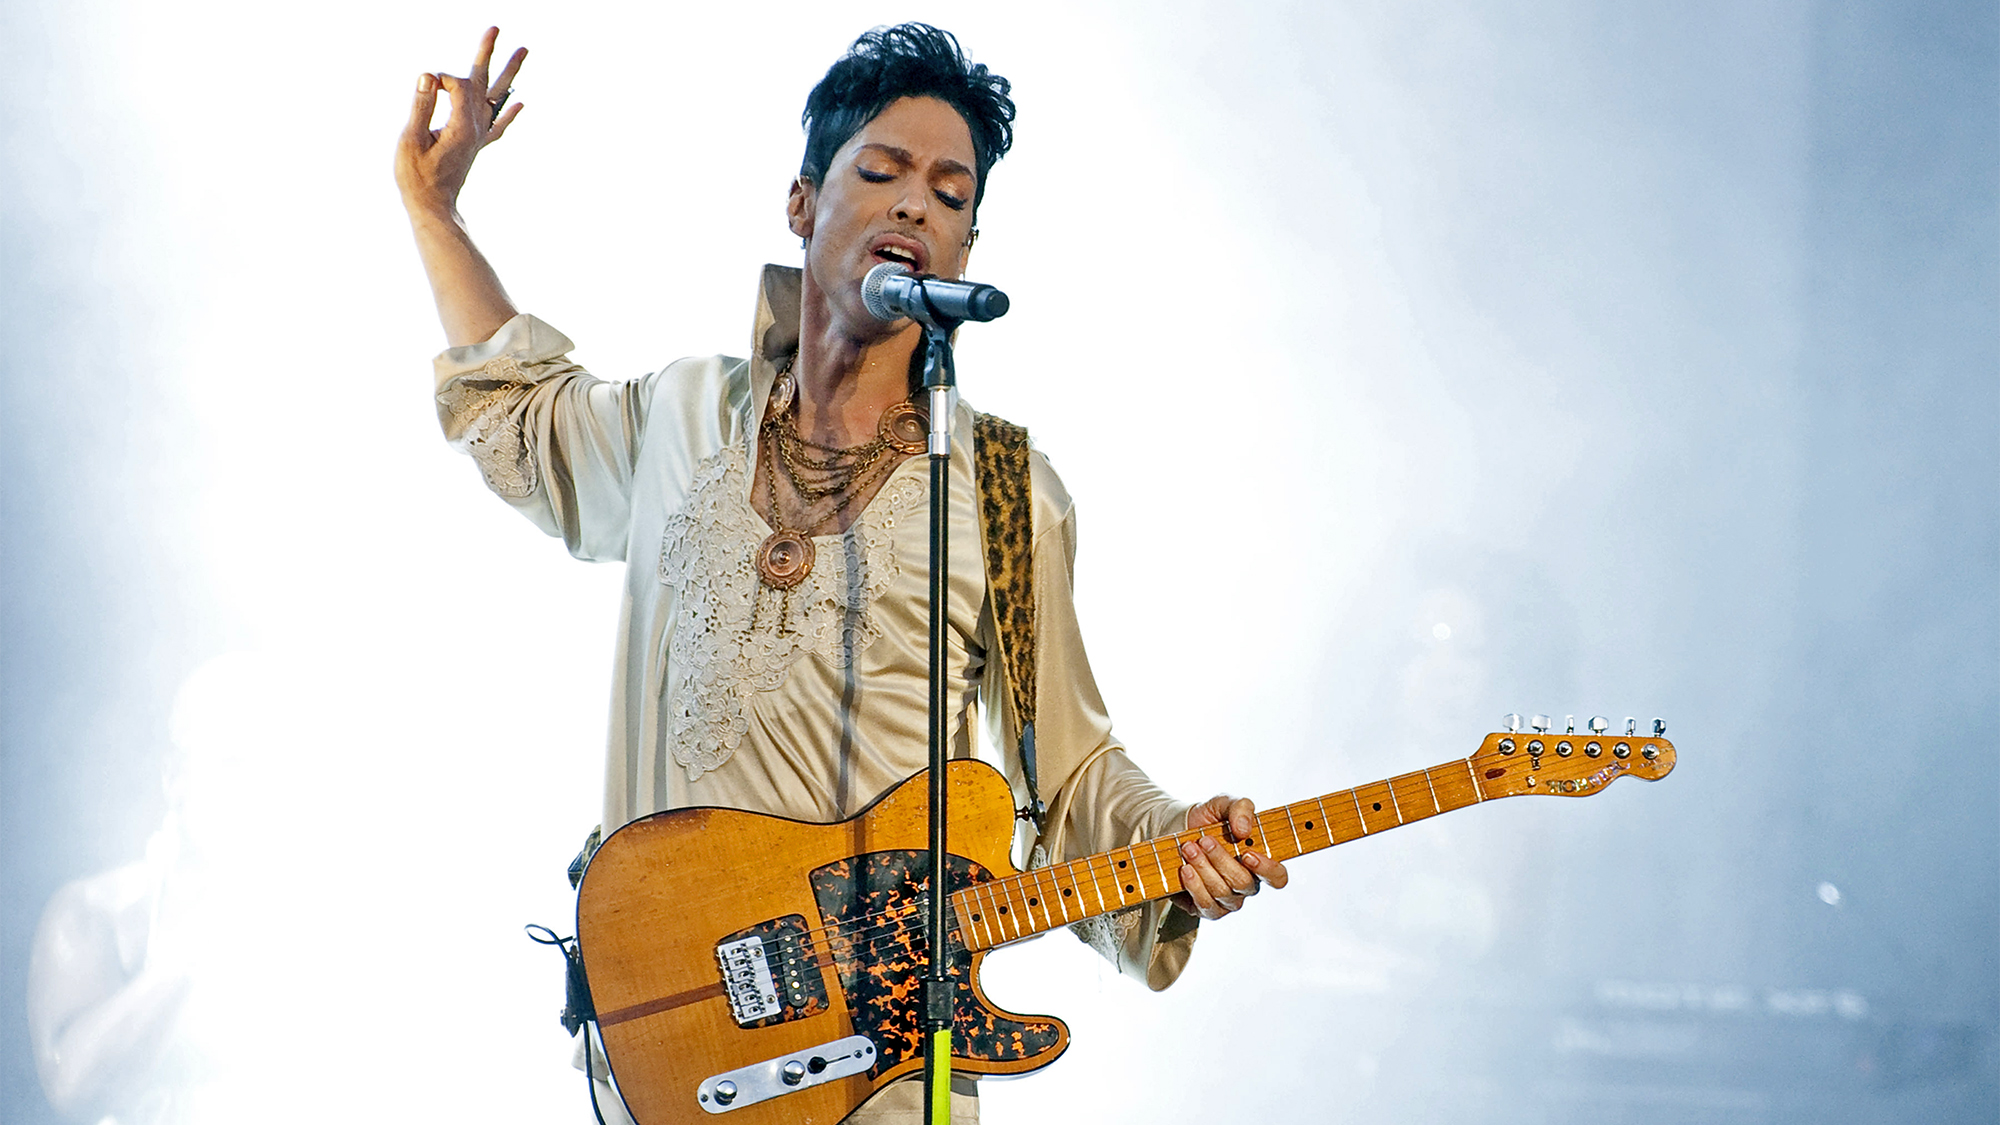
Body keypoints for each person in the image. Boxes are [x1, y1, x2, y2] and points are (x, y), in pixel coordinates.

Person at [394, 23, 1290, 1124]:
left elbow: (1067, 767)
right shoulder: (682, 414)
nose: (916, 205)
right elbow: (521, 409)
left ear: (965, 250)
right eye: (882, 172)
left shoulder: (1003, 490)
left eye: (950, 195)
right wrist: (437, 212)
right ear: (801, 203)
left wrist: (1175, 845)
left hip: (886, 1075)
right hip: (672, 1051)